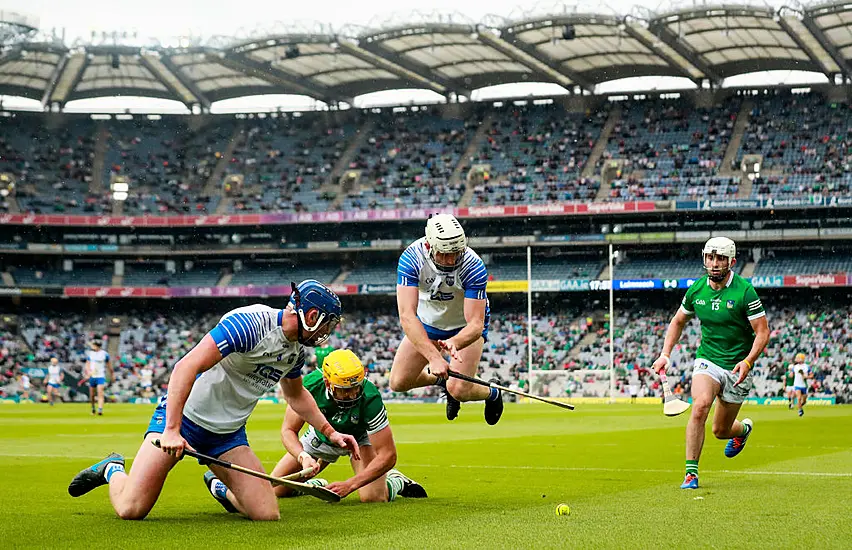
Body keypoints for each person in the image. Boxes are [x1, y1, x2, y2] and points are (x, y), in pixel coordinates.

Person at [68, 280, 360, 521]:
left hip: (227, 437)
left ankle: (219, 487)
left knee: (266, 513)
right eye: (327, 324)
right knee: (131, 509)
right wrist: (172, 429)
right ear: (312, 316)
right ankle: (112, 468)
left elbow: (296, 395)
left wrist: (331, 433)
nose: (327, 333)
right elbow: (186, 366)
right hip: (184, 421)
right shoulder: (251, 324)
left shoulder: (295, 352)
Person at [205, 349, 425, 508]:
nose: (352, 395)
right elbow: (288, 431)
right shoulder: (309, 386)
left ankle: (396, 481)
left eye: (355, 388)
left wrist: (350, 485)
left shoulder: (370, 397)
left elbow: (388, 454)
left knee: (373, 497)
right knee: (276, 489)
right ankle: (315, 483)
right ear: (328, 383)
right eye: (344, 390)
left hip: (359, 440)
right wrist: (302, 457)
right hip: (320, 438)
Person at [652, 237, 770, 490]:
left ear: (732, 262)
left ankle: (743, 431)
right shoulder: (696, 290)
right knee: (701, 406)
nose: (714, 264)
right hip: (708, 360)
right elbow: (677, 321)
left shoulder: (745, 291)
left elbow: (762, 332)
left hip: (739, 365)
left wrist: (748, 362)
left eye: (720, 259)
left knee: (720, 430)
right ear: (704, 259)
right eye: (710, 258)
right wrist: (665, 354)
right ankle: (691, 474)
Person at [390, 214, 503, 425]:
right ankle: (442, 380)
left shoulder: (473, 266)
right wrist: (434, 357)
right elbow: (407, 315)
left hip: (462, 326)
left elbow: (476, 324)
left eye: (456, 253)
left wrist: (455, 343)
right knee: (399, 382)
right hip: (428, 322)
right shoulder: (411, 259)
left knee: (459, 390)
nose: (451, 260)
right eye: (444, 254)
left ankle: (492, 392)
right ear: (429, 245)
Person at [79, 340, 112, 415]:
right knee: (92, 395)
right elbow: (87, 364)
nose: (92, 346)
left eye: (93, 345)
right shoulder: (91, 354)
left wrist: (111, 374)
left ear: (97, 346)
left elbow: (109, 365)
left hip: (100, 376)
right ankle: (93, 408)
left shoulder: (105, 354)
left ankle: (100, 409)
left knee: (100, 392)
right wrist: (88, 372)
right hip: (92, 376)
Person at [792, 353, 813, 417]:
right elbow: (792, 374)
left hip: (804, 385)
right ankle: (800, 410)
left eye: (798, 358)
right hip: (797, 385)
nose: (797, 359)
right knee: (798, 398)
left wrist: (807, 377)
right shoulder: (795, 367)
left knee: (804, 401)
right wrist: (790, 375)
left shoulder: (807, 366)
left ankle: (800, 406)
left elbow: (811, 375)